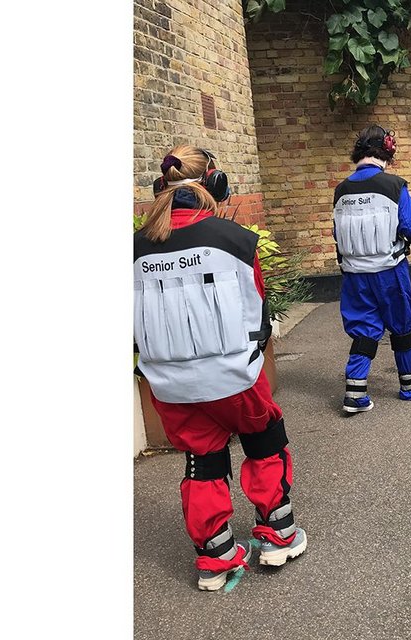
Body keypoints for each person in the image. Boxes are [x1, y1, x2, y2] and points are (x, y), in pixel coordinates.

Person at [134, 145, 307, 591]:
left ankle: (215, 556)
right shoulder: (236, 241)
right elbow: (259, 312)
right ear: (214, 183)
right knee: (265, 440)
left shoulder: (132, 250)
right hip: (235, 377)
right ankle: (277, 536)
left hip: (168, 385)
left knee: (202, 459)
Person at [333, 125, 411, 414]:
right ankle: (410, 385)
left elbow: (337, 233)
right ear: (387, 152)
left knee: (364, 328)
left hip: (355, 275)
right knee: (401, 327)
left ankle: (355, 394)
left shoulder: (342, 189)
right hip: (390, 271)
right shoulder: (394, 186)